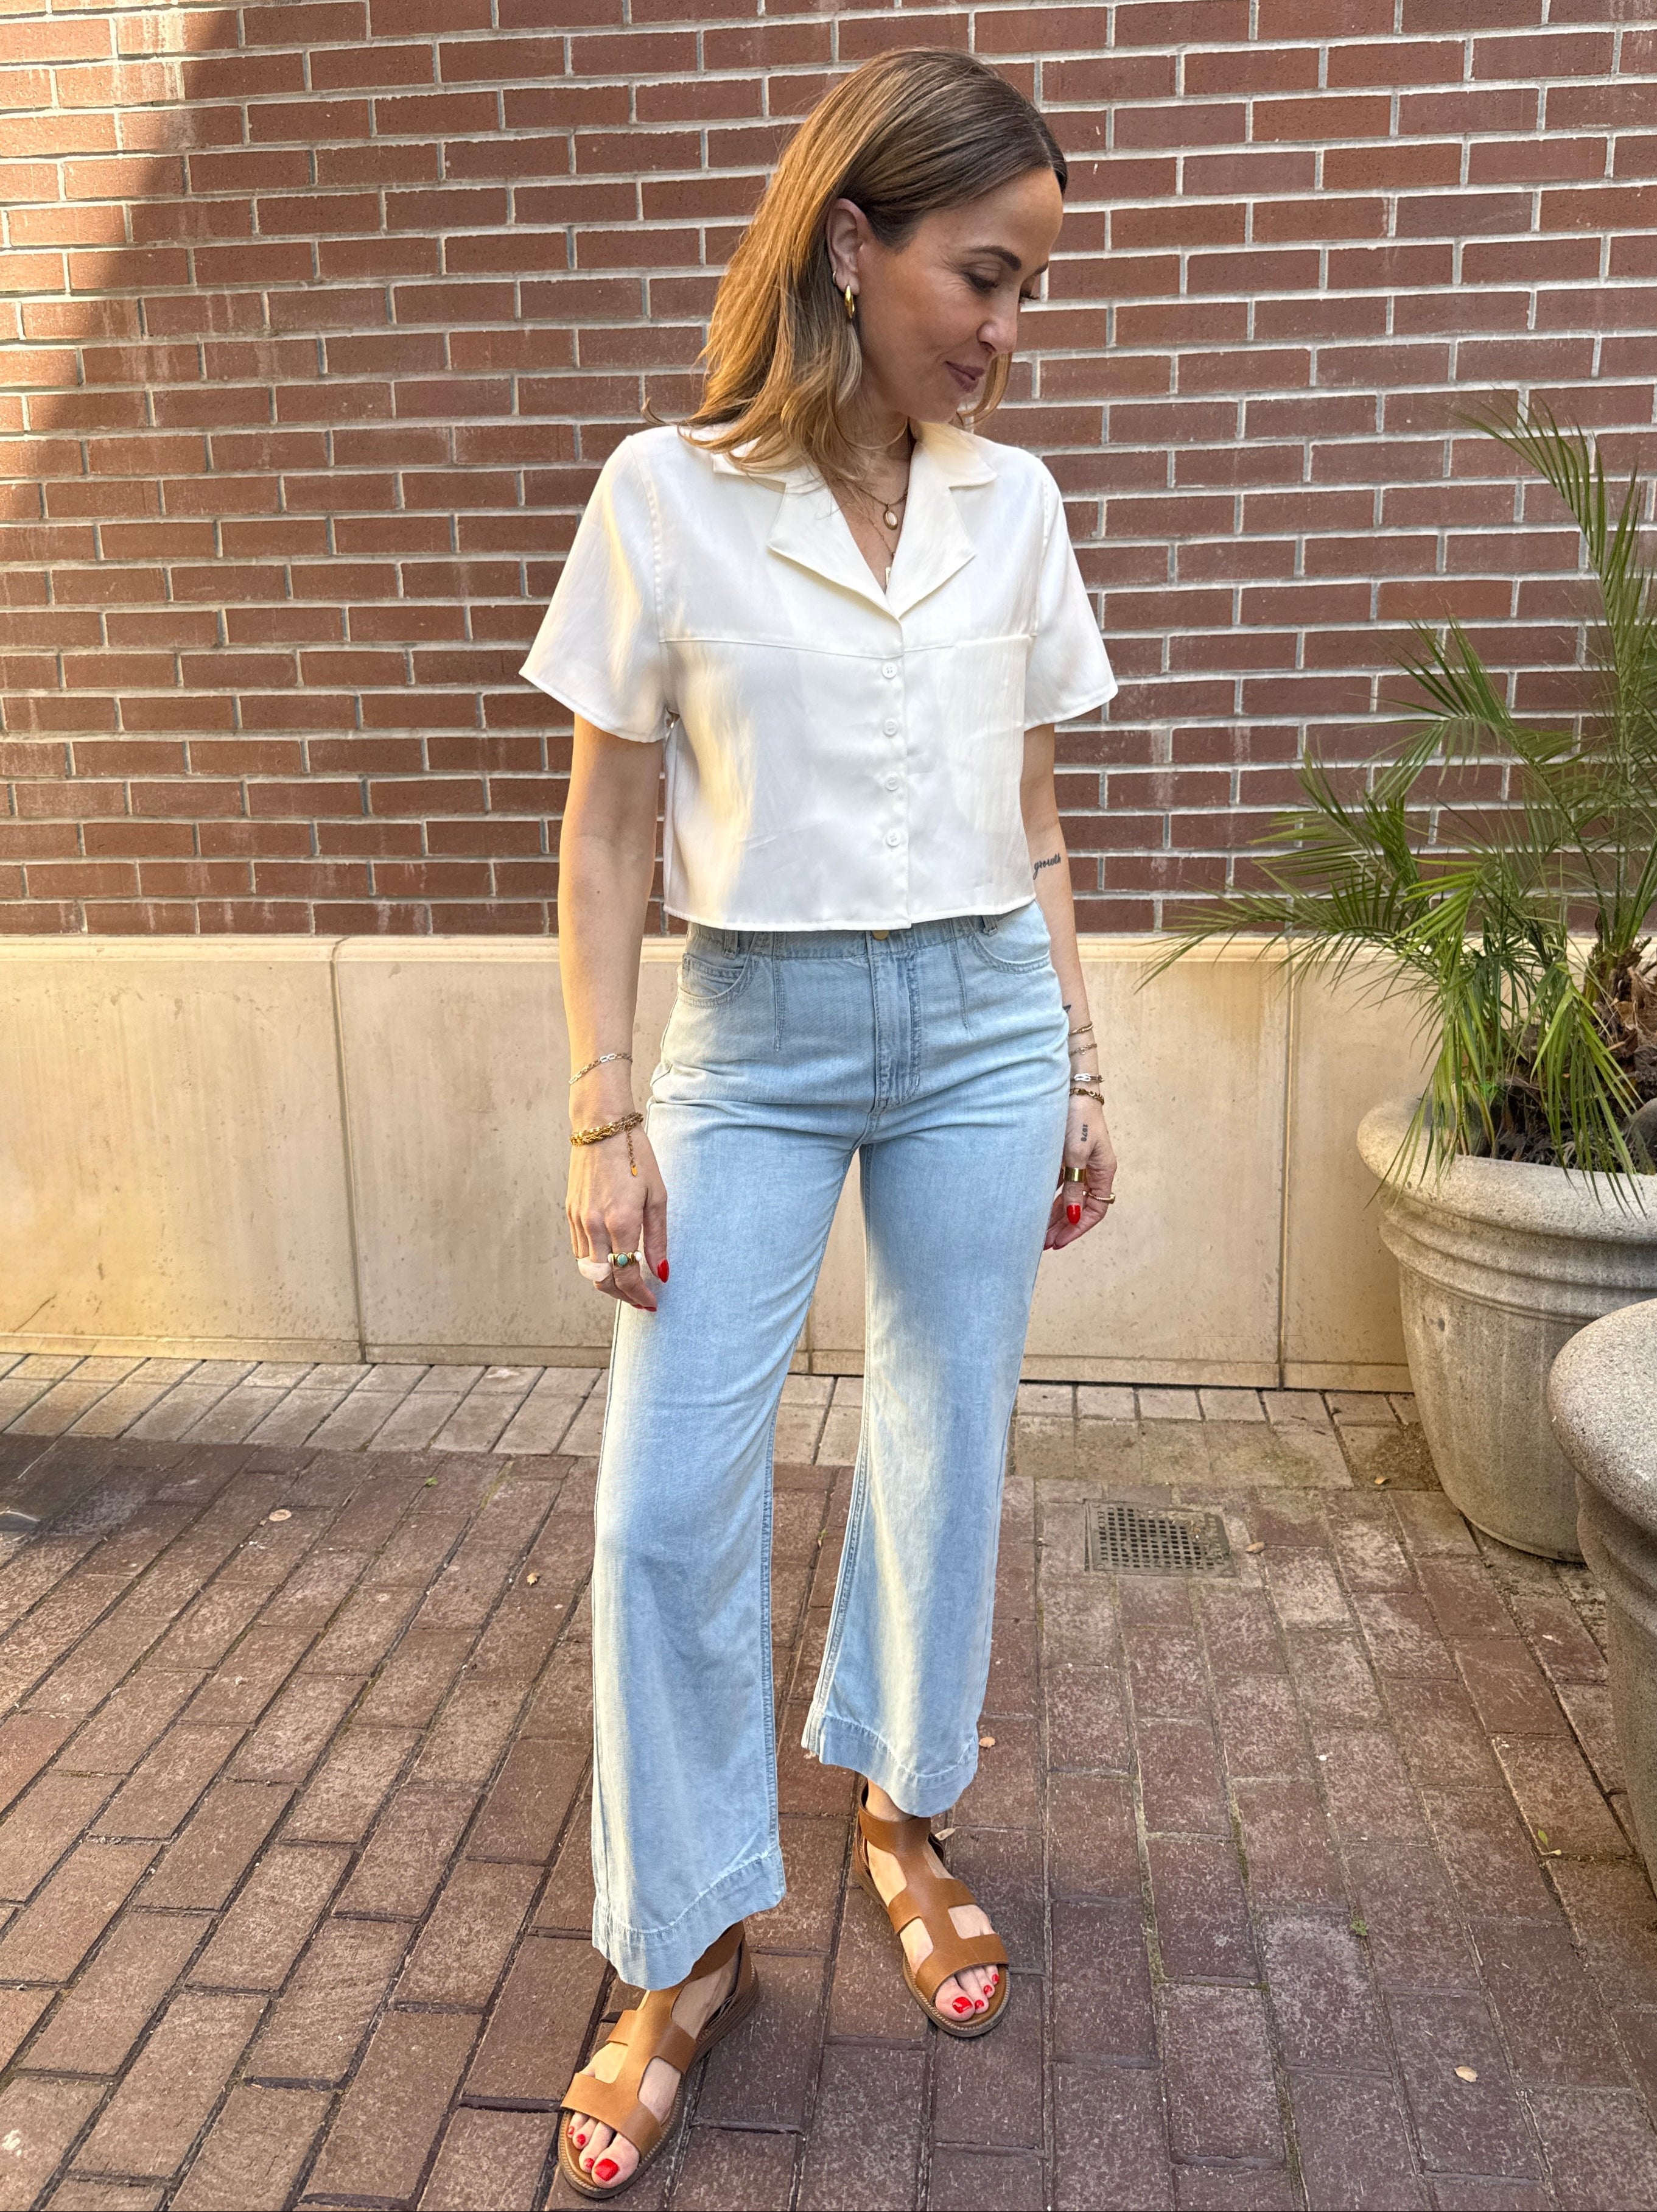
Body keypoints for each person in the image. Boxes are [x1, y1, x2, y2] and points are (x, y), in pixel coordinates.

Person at [520, 46, 1120, 2200]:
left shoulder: (1012, 504)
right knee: (663, 1502)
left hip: (973, 1014)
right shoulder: (662, 496)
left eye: (1030, 287)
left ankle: (898, 1802)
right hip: (749, 1034)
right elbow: (604, 835)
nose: (1005, 328)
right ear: (849, 246)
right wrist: (603, 1104)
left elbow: (1042, 817)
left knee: (947, 1441)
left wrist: (1076, 1052)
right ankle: (677, 1940)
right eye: (982, 273)